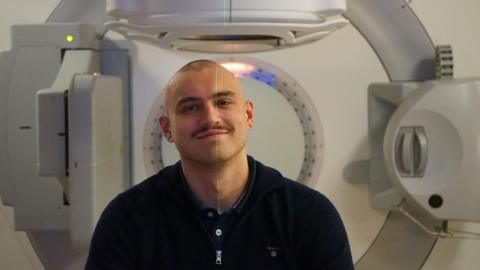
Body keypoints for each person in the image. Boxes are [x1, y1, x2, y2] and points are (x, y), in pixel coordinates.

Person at [85, 60, 354, 270]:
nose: (210, 117)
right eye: (190, 107)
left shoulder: (309, 215)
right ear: (167, 129)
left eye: (223, 102)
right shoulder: (128, 218)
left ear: (248, 115)